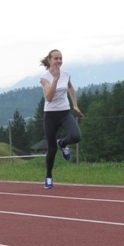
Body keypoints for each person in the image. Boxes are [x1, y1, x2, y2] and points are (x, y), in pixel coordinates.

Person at [40, 49, 84, 189]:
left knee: (76, 136)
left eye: (60, 58)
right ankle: (48, 176)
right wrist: (55, 79)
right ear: (49, 60)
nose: (59, 61)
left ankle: (63, 143)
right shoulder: (44, 77)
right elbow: (49, 97)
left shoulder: (66, 75)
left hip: (64, 113)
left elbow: (70, 87)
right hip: (50, 116)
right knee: (52, 149)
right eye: (56, 58)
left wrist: (75, 105)